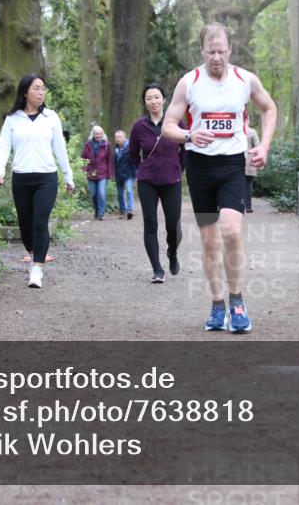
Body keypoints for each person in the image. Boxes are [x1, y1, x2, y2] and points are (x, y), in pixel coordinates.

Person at [163, 23, 277, 333]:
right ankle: (217, 305)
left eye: (221, 51)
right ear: (202, 51)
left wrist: (264, 146)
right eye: (211, 51)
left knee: (231, 232)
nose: (216, 57)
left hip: (231, 166)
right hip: (200, 169)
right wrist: (188, 134)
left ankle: (237, 303)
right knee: (209, 240)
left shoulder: (244, 79)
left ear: (230, 49)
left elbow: (269, 108)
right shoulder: (189, 83)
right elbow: (168, 125)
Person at [0, 75, 75, 289]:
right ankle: (32, 254)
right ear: (25, 92)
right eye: (36, 88)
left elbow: (60, 148)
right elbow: (4, 146)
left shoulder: (51, 118)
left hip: (46, 178)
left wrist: (68, 176)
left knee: (40, 222)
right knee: (25, 224)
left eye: (43, 88)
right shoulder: (13, 119)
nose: (41, 92)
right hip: (21, 178)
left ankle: (37, 269)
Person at [129, 83, 186, 284]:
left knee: (174, 225)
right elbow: (133, 153)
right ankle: (157, 268)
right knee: (150, 223)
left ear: (164, 99)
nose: (153, 101)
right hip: (148, 182)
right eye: (149, 98)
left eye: (156, 97)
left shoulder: (177, 123)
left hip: (172, 180)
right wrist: (144, 168)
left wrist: (178, 169)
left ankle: (172, 252)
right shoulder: (139, 126)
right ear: (144, 102)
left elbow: (185, 149)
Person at [81, 125, 113, 220]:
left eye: (99, 134)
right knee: (93, 194)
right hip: (91, 172)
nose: (98, 135)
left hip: (103, 172)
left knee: (101, 193)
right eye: (96, 134)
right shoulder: (88, 144)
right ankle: (96, 210)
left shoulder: (107, 145)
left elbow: (110, 160)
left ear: (102, 134)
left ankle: (101, 213)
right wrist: (83, 170)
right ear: (93, 134)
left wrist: (110, 174)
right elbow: (83, 158)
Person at [113, 130, 136, 220]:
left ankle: (130, 211)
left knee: (129, 191)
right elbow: (114, 163)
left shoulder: (130, 147)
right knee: (120, 193)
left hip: (129, 173)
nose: (118, 139)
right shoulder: (115, 149)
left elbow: (134, 160)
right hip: (119, 174)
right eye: (116, 137)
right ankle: (123, 211)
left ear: (124, 137)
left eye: (120, 137)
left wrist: (136, 173)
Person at [244, 114, 259, 213]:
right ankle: (248, 207)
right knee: (248, 184)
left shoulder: (237, 131)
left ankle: (237, 206)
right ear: (247, 119)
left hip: (235, 160)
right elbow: (258, 146)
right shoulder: (252, 132)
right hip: (249, 161)